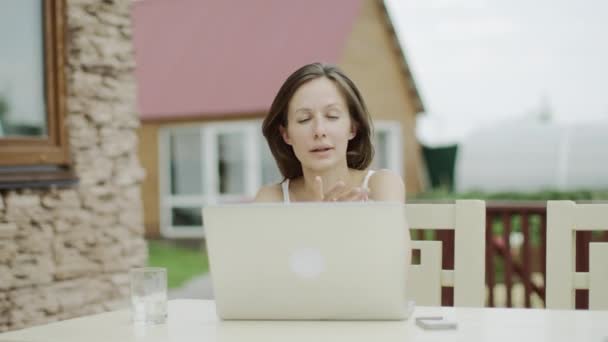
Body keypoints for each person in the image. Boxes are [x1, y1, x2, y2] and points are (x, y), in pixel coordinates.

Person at [255, 62, 405, 203]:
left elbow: (395, 232)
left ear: (352, 128)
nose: (319, 131)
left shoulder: (381, 185)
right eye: (304, 119)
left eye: (332, 116)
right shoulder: (271, 198)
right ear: (286, 134)